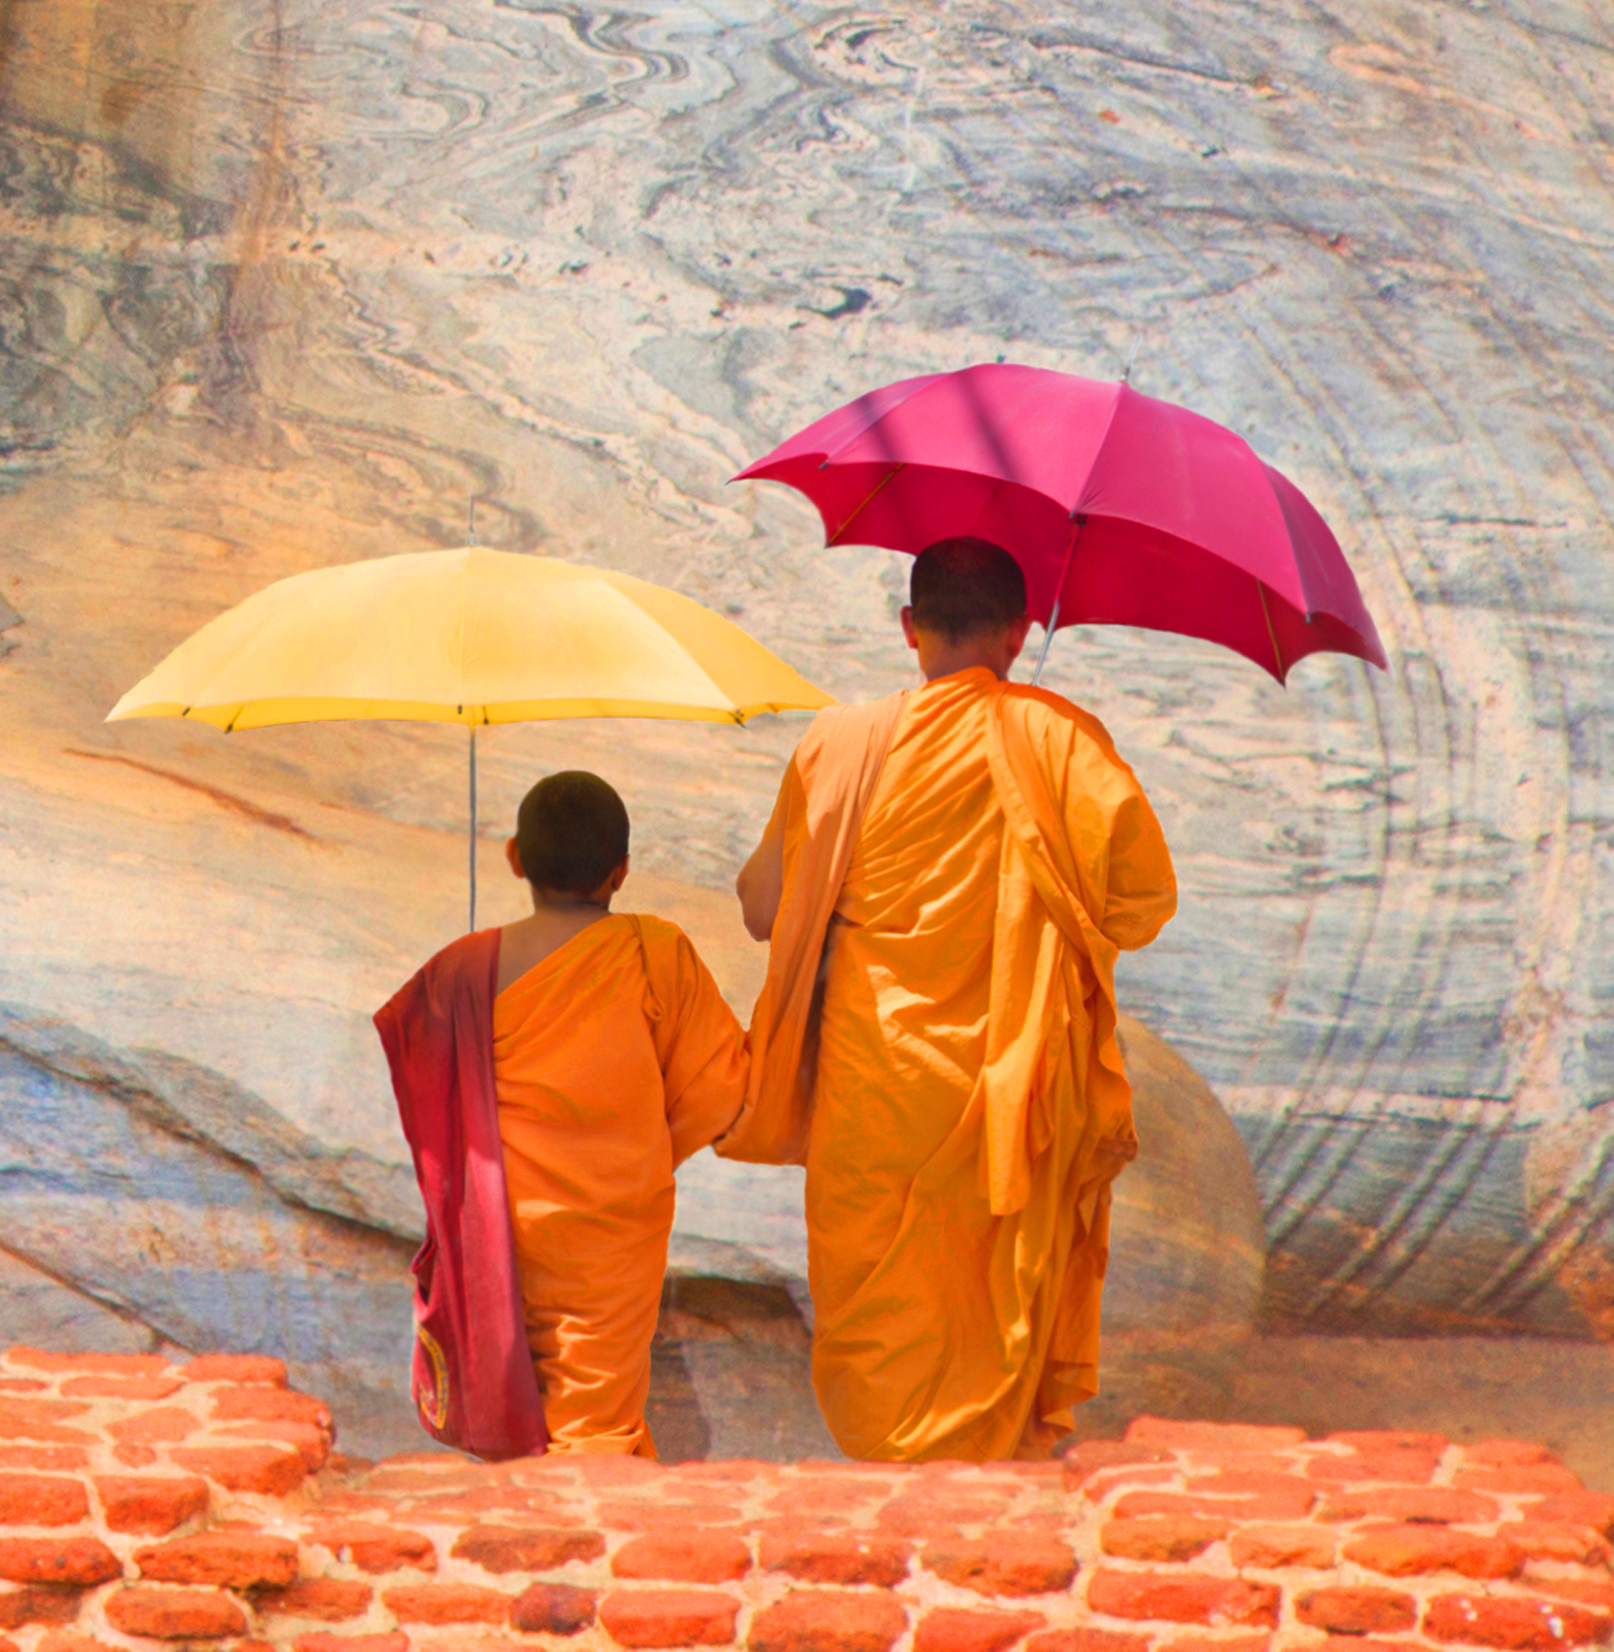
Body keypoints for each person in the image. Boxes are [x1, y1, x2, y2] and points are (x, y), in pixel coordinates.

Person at [727, 536, 1178, 1461]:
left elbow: (764, 908)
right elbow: (1140, 905)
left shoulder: (838, 742)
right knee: (993, 1293)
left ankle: (885, 1482)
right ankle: (984, 1508)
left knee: (874, 1300)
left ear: (907, 627)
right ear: (1018, 632)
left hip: (871, 1083)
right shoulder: (1056, 737)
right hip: (1005, 1089)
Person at [375, 770, 751, 1460]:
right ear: (621, 872)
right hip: (609, 1232)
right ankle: (586, 1539)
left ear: (515, 857)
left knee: (513, 1405)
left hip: (494, 1225)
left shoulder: (462, 968)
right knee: (595, 1420)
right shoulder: (650, 952)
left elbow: (428, 1093)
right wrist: (642, 1148)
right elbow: (720, 1090)